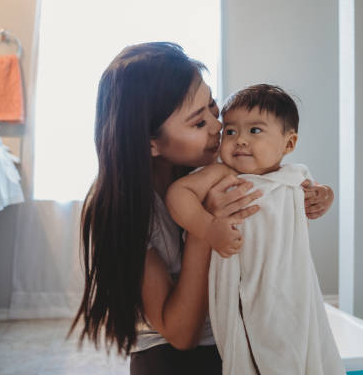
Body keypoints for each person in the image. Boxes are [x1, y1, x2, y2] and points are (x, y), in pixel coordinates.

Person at [69, 43, 334, 375]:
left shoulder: (209, 166)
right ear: (150, 142)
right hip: (170, 354)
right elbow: (180, 334)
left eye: (213, 106)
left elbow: (277, 196)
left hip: (233, 328)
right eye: (198, 123)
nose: (217, 127)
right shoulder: (119, 208)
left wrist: (311, 198)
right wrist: (204, 226)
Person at [166, 84, 344, 374]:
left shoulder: (294, 176)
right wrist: (210, 228)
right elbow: (178, 195)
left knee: (298, 346)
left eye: (255, 131)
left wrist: (325, 196)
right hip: (244, 288)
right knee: (253, 348)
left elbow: (316, 196)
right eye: (231, 131)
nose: (240, 141)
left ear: (288, 144)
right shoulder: (224, 174)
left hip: (290, 287)